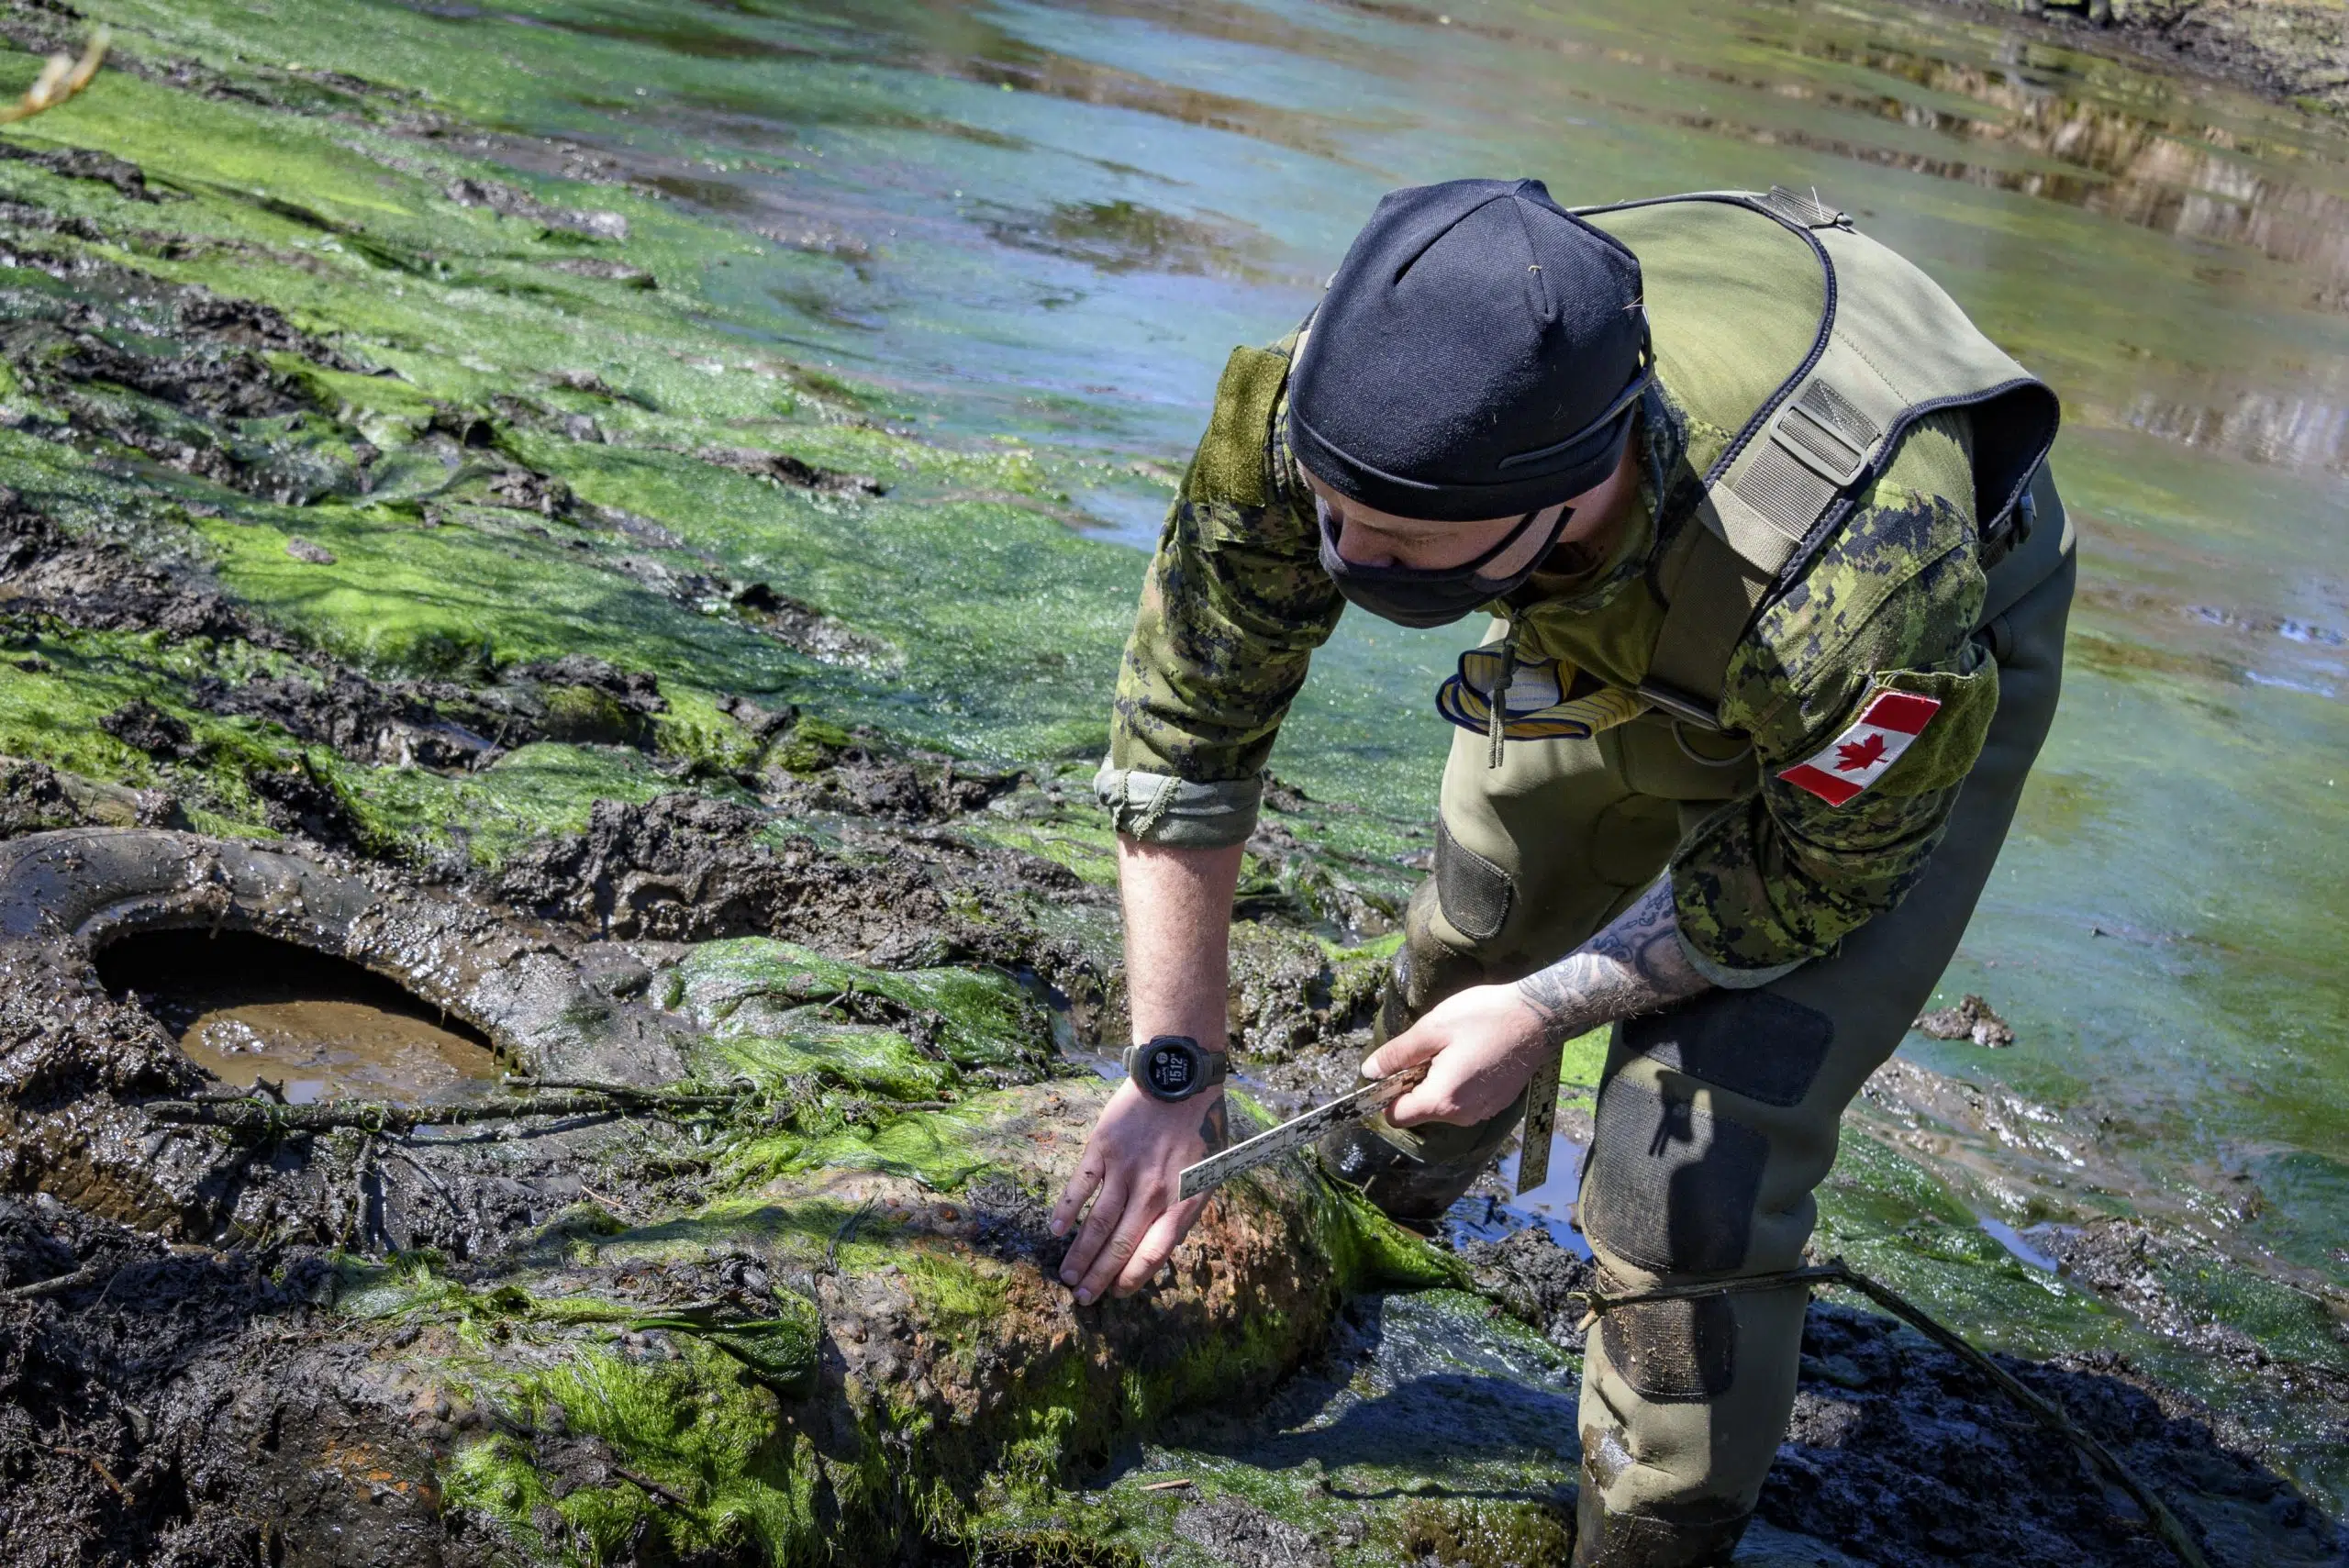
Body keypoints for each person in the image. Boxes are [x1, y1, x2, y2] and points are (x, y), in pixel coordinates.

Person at [1047, 177, 2070, 1566]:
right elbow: (1187, 730)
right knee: (1467, 944)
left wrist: (1551, 1013)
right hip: (1602, 565)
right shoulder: (1329, 405)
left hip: (1881, 651)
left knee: (1686, 1165)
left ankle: (1650, 1540)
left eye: (1404, 551)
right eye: (1337, 517)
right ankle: (1366, 1232)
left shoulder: (1864, 595)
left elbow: (1807, 880)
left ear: (1571, 483)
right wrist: (1175, 1068)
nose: (1345, 558)